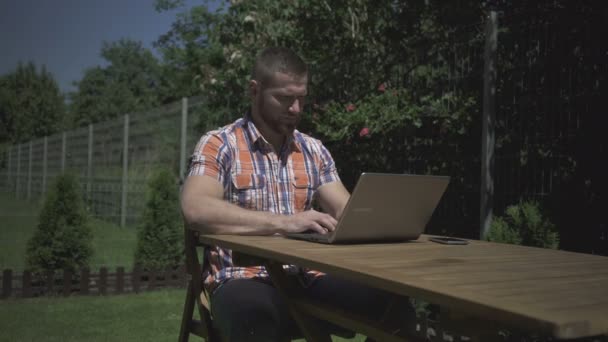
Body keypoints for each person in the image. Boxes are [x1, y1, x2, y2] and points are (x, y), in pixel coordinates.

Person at [180, 47, 415, 341]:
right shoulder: (219, 144)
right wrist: (286, 222)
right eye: (285, 98)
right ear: (255, 91)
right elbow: (196, 208)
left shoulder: (313, 150)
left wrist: (388, 221)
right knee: (255, 321)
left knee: (395, 308)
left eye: (301, 98)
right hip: (242, 279)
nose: (295, 109)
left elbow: (346, 211)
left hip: (308, 276)